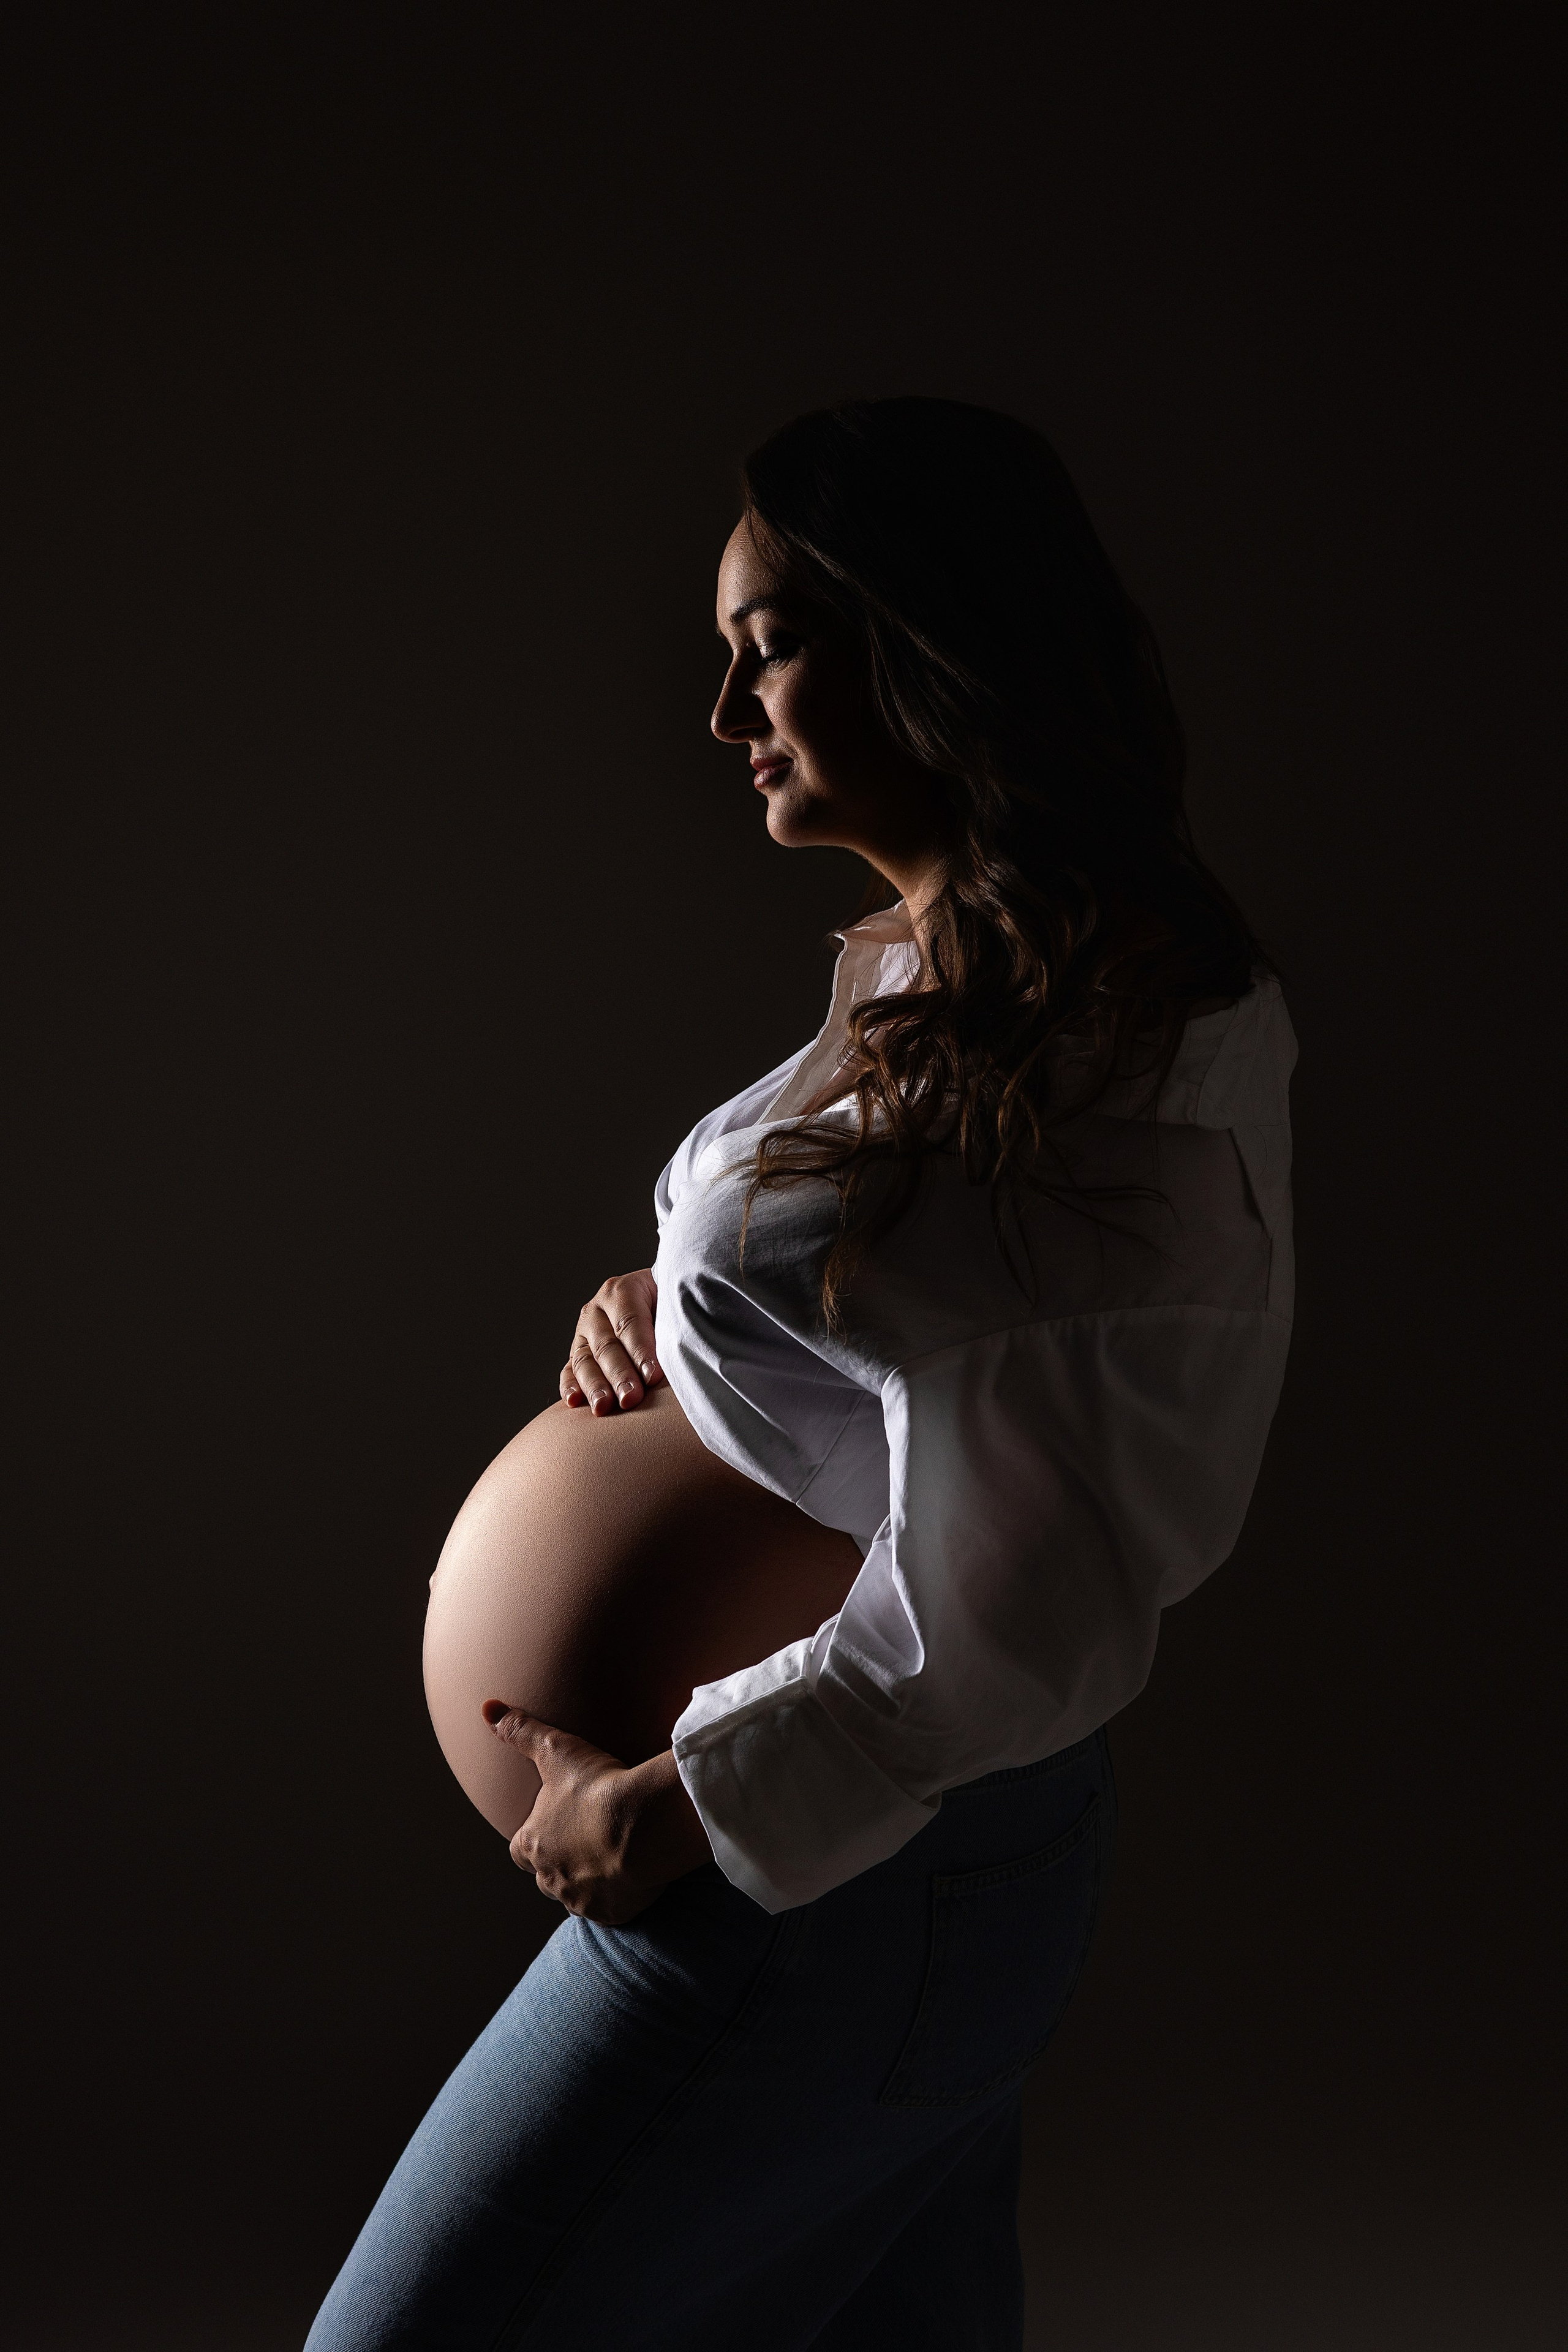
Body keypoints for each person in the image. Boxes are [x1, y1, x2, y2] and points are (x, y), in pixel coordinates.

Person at [307, 398, 1295, 2350]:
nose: (722, 710)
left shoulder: (1118, 1070)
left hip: (832, 1890)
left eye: (767, 646)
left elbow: (1038, 1609)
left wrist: (680, 1808)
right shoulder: (962, 973)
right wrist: (678, 1311)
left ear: (924, 644)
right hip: (864, 1889)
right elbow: (897, 1321)